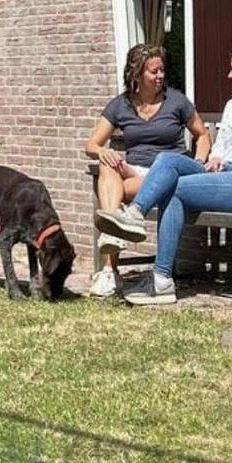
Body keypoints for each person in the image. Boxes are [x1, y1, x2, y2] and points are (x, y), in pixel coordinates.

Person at [95, 44, 232, 305]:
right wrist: (215, 157)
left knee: (174, 189)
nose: (229, 75)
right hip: (220, 174)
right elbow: (221, 146)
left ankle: (160, 278)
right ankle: (136, 217)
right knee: (167, 160)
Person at [83, 44, 210, 297]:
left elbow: (203, 134)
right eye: (154, 71)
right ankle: (114, 240)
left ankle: (109, 268)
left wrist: (199, 162)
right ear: (137, 74)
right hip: (134, 171)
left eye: (162, 70)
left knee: (114, 193)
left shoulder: (176, 101)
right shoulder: (121, 105)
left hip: (167, 173)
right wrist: (102, 151)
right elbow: (91, 145)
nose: (160, 75)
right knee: (107, 165)